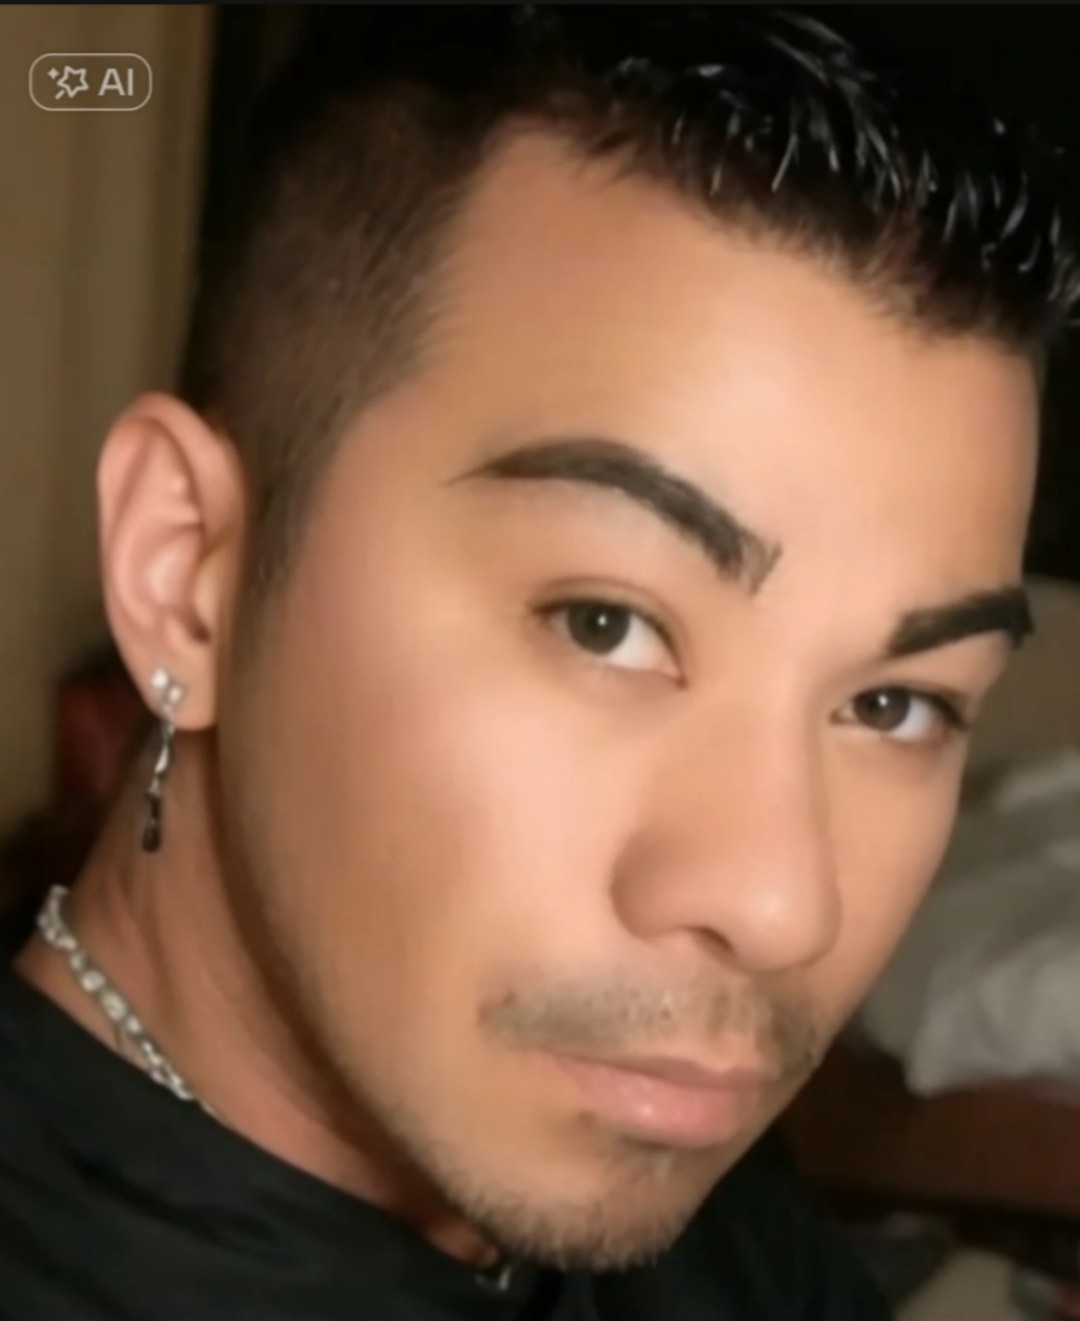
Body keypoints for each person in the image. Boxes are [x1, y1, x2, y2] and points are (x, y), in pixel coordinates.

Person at [0, 6, 1074, 1318]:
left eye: (894, 704)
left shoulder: (686, 1178)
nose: (781, 904)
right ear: (185, 573)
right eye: (605, 623)